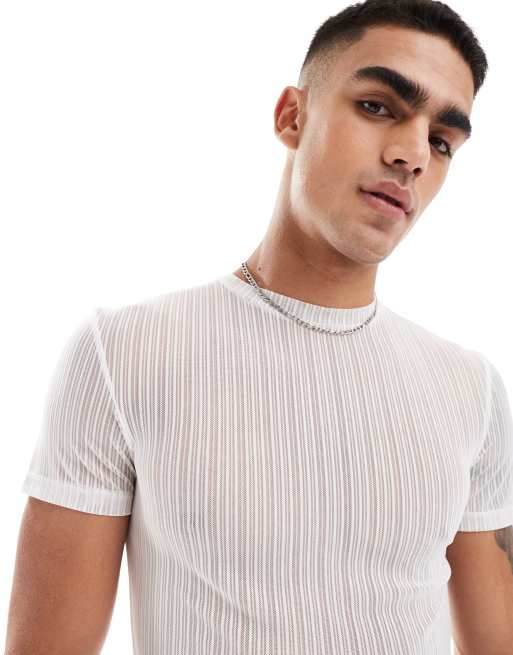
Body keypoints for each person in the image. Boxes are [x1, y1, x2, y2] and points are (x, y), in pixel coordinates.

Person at [5, 1, 513, 654]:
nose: (412, 154)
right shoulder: (124, 353)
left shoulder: (470, 389)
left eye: (441, 141)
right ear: (291, 117)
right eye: (377, 107)